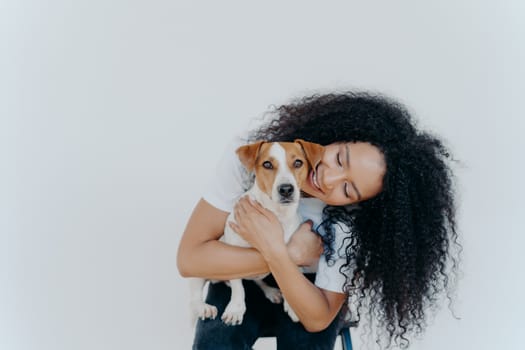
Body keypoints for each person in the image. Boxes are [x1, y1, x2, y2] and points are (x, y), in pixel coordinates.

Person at [177, 91, 459, 349]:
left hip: (310, 288)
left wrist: (280, 256)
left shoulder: (350, 223)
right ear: (337, 131)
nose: (327, 179)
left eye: (348, 190)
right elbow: (190, 260)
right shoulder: (258, 154)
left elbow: (317, 318)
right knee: (217, 340)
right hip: (236, 277)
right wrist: (289, 254)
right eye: (338, 158)